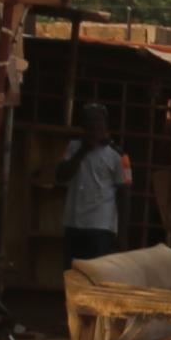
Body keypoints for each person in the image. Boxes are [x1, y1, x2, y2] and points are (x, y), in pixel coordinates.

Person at [61, 107, 129, 264]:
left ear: (105, 126)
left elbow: (125, 194)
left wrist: (123, 236)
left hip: (101, 228)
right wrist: (83, 150)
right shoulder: (73, 147)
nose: (94, 127)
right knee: (71, 276)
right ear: (83, 127)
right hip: (74, 225)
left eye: (98, 122)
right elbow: (61, 175)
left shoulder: (118, 154)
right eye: (90, 123)